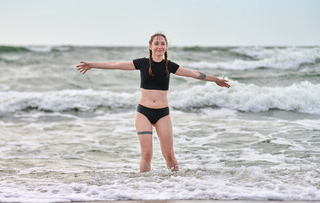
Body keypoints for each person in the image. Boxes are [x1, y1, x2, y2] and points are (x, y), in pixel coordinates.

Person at [76, 33, 230, 173]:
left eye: (162, 43)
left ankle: (178, 187)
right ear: (150, 46)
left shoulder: (170, 66)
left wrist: (216, 80)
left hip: (163, 114)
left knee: (169, 155)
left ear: (166, 47)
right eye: (156, 43)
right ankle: (144, 188)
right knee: (147, 154)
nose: (159, 46)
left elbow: (195, 74)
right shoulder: (142, 63)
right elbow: (115, 65)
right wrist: (92, 65)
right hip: (144, 113)